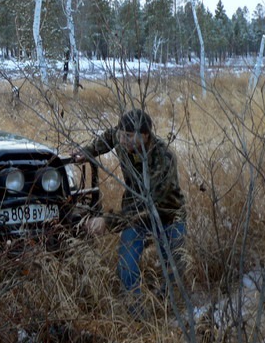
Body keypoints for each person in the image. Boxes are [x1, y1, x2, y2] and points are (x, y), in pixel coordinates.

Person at [72, 109, 187, 313]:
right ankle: (137, 311)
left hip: (168, 215)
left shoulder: (164, 158)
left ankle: (168, 310)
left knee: (173, 269)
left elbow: (151, 204)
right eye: (122, 134)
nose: (123, 140)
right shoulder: (122, 137)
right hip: (134, 215)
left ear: (145, 135)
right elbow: (110, 135)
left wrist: (108, 221)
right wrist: (87, 151)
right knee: (126, 264)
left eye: (129, 136)